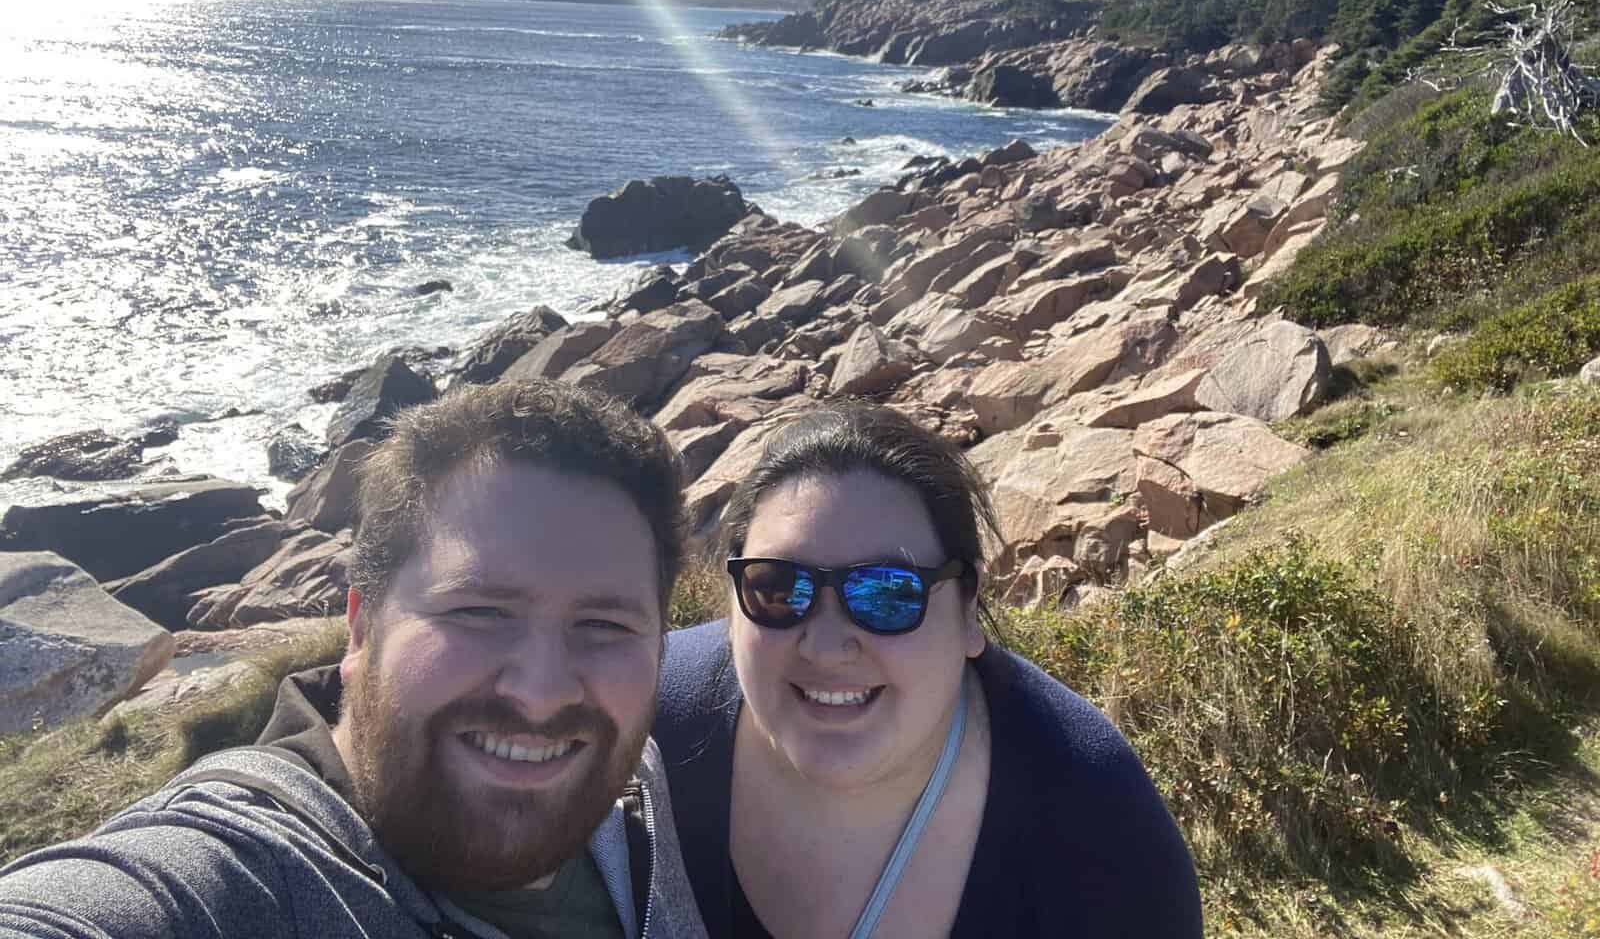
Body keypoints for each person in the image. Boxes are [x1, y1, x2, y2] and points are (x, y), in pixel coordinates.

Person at [0, 379, 708, 939]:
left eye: (606, 624)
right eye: (480, 611)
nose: (542, 692)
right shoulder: (249, 872)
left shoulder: (661, 796)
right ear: (362, 629)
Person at [654, 404, 1203, 938]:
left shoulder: (1096, 822)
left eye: (888, 593)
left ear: (967, 611)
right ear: (732, 602)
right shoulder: (642, 723)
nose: (824, 646)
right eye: (777, 587)